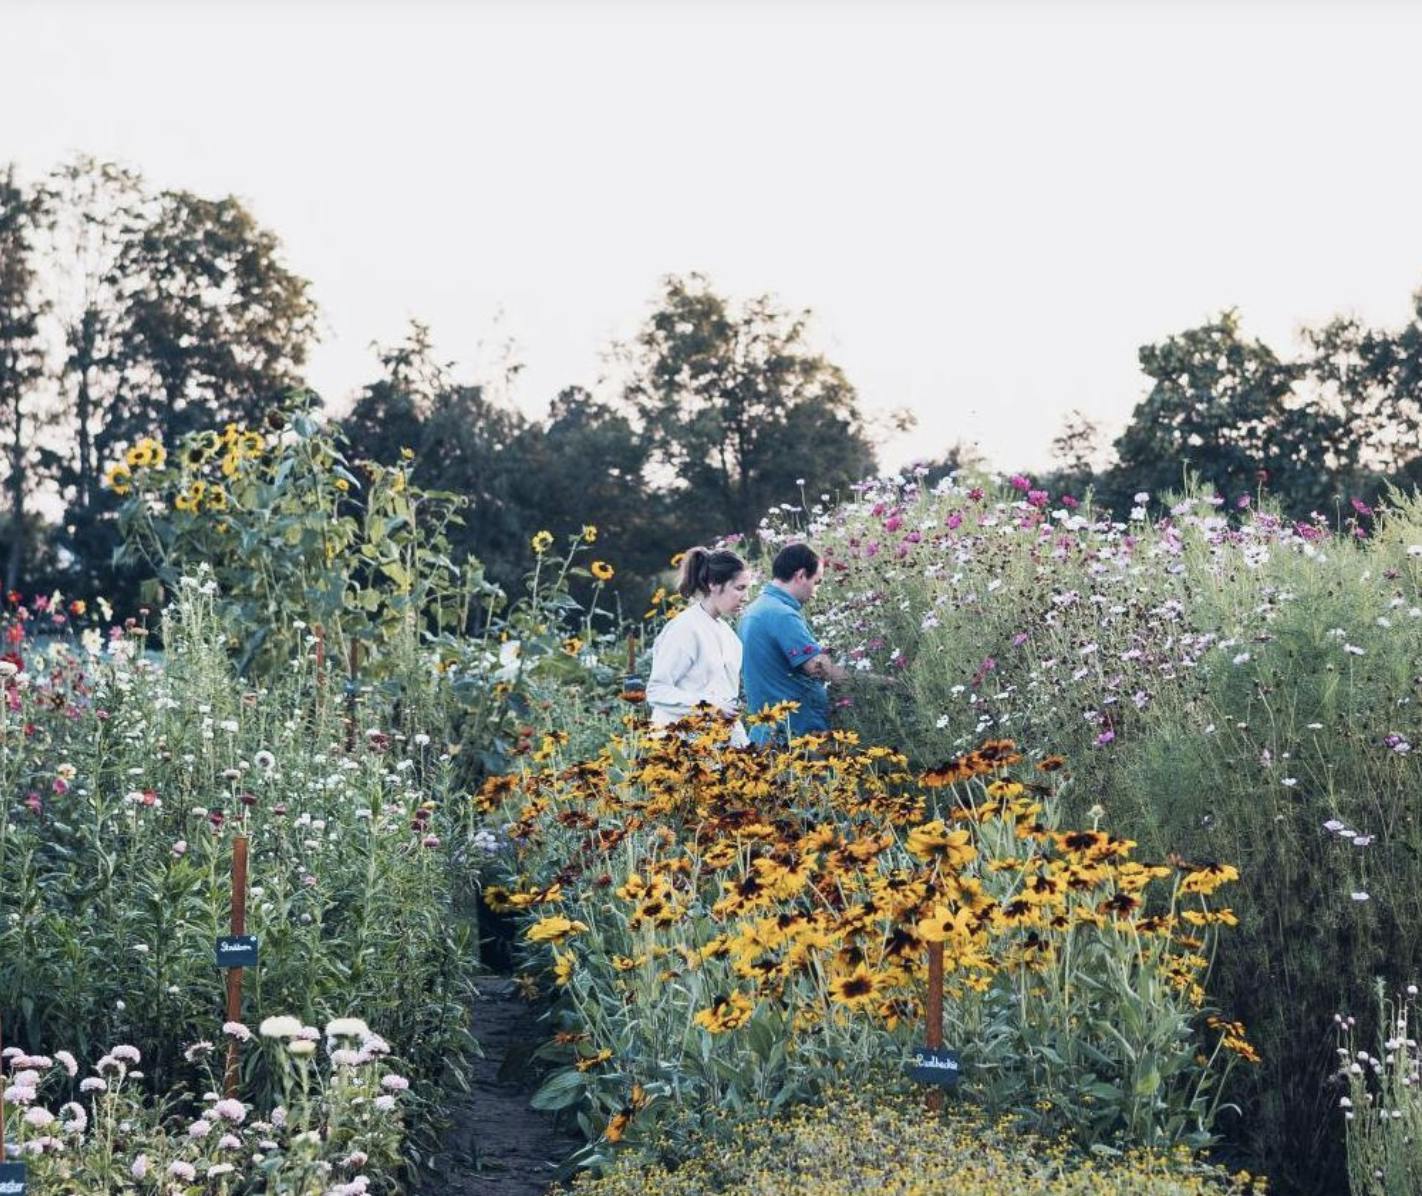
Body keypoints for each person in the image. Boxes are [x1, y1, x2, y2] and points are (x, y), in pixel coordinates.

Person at [739, 541, 848, 745]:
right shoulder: (781, 614)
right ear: (800, 576)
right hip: (795, 736)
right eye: (816, 582)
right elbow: (819, 668)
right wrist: (879, 683)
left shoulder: (754, 610)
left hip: (768, 731)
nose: (815, 593)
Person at [646, 546, 752, 746]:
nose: (746, 597)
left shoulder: (731, 638)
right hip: (676, 747)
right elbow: (657, 690)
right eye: (739, 588)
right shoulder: (685, 628)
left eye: (747, 589)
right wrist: (710, 705)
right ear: (713, 584)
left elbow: (726, 705)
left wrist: (744, 751)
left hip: (715, 746)